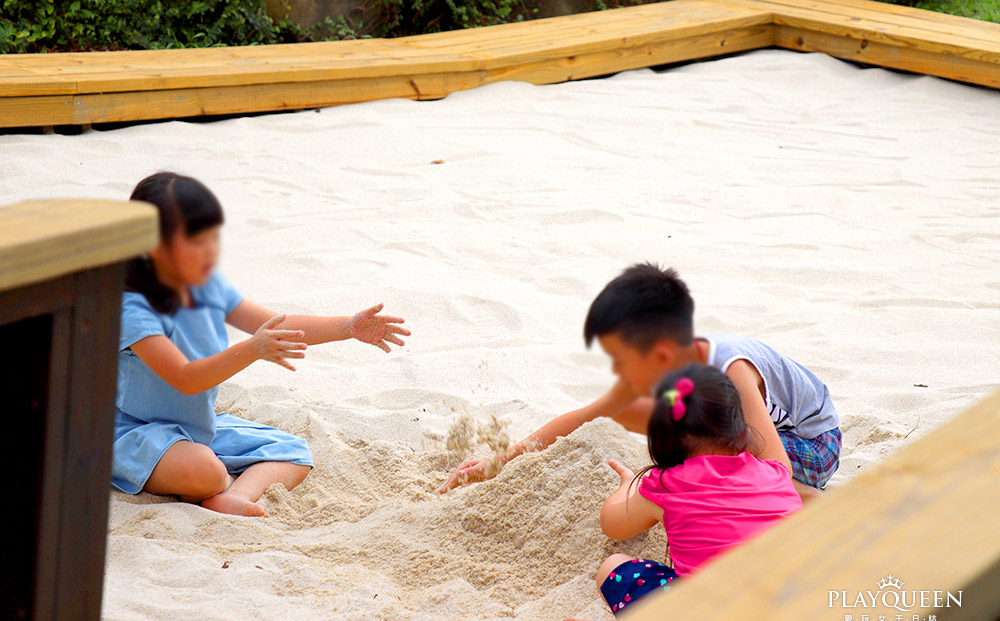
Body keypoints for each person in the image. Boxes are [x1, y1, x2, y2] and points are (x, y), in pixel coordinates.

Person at [114, 172, 410, 516]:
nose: (209, 250)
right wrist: (254, 349)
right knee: (205, 471)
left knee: (294, 452)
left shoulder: (207, 289)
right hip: (136, 431)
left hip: (198, 427)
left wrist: (347, 327)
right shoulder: (134, 308)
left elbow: (278, 325)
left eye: (213, 238)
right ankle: (209, 483)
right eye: (196, 240)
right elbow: (186, 377)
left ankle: (235, 495)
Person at [439, 263, 840, 501]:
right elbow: (585, 416)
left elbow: (777, 469)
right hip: (751, 435)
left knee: (698, 443)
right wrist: (502, 461)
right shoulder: (662, 368)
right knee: (674, 433)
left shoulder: (732, 368)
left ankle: (816, 505)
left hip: (811, 443)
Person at [560, 364, 802, 621]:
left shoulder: (666, 485)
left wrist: (628, 484)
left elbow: (612, 524)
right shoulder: (775, 471)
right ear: (740, 428)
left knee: (613, 567)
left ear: (661, 442)